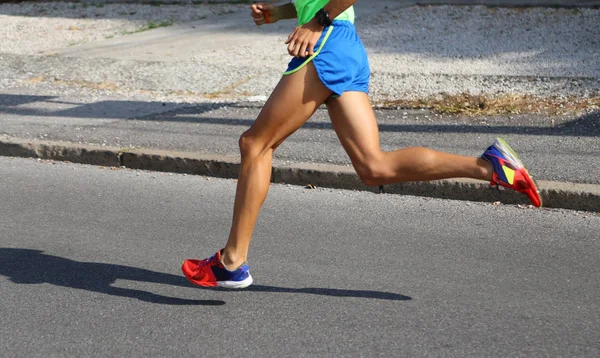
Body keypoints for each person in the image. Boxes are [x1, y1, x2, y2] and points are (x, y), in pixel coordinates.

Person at [181, 0, 542, 289]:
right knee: (374, 167)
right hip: (345, 45)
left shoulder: (321, 26)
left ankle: (232, 262)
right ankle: (490, 166)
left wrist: (317, 21)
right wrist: (282, 12)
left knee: (254, 145)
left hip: (326, 43)